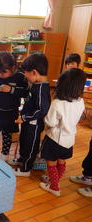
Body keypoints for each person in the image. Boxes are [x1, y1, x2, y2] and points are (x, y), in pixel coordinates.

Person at [39, 68, 86, 196]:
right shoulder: (81, 102)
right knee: (62, 162)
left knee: (51, 163)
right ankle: (55, 181)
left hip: (55, 139)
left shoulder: (57, 103)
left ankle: (54, 187)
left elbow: (50, 122)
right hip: (70, 140)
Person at [13, 54, 51, 177]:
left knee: (30, 146)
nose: (24, 75)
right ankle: (23, 160)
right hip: (27, 123)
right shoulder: (36, 85)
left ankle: (26, 169)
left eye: (25, 72)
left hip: (33, 125)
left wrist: (24, 117)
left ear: (34, 72)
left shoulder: (42, 89)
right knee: (24, 141)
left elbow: (42, 110)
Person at [0, 52, 28, 160]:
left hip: (11, 111)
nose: (0, 75)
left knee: (7, 134)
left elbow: (25, 92)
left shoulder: (20, 77)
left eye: (3, 72)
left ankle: (4, 155)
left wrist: (11, 89)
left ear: (13, 67)